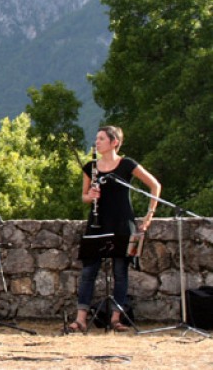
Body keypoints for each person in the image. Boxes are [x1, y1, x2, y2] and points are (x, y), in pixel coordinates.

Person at [68, 125, 161, 333]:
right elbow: (83, 196)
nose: (97, 141)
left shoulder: (127, 164)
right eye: (97, 138)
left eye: (101, 138)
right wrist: (90, 196)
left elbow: (155, 186)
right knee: (88, 271)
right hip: (96, 224)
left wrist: (149, 215)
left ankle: (116, 318)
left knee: (121, 272)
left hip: (122, 224)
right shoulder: (90, 167)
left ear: (114, 142)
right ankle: (80, 319)